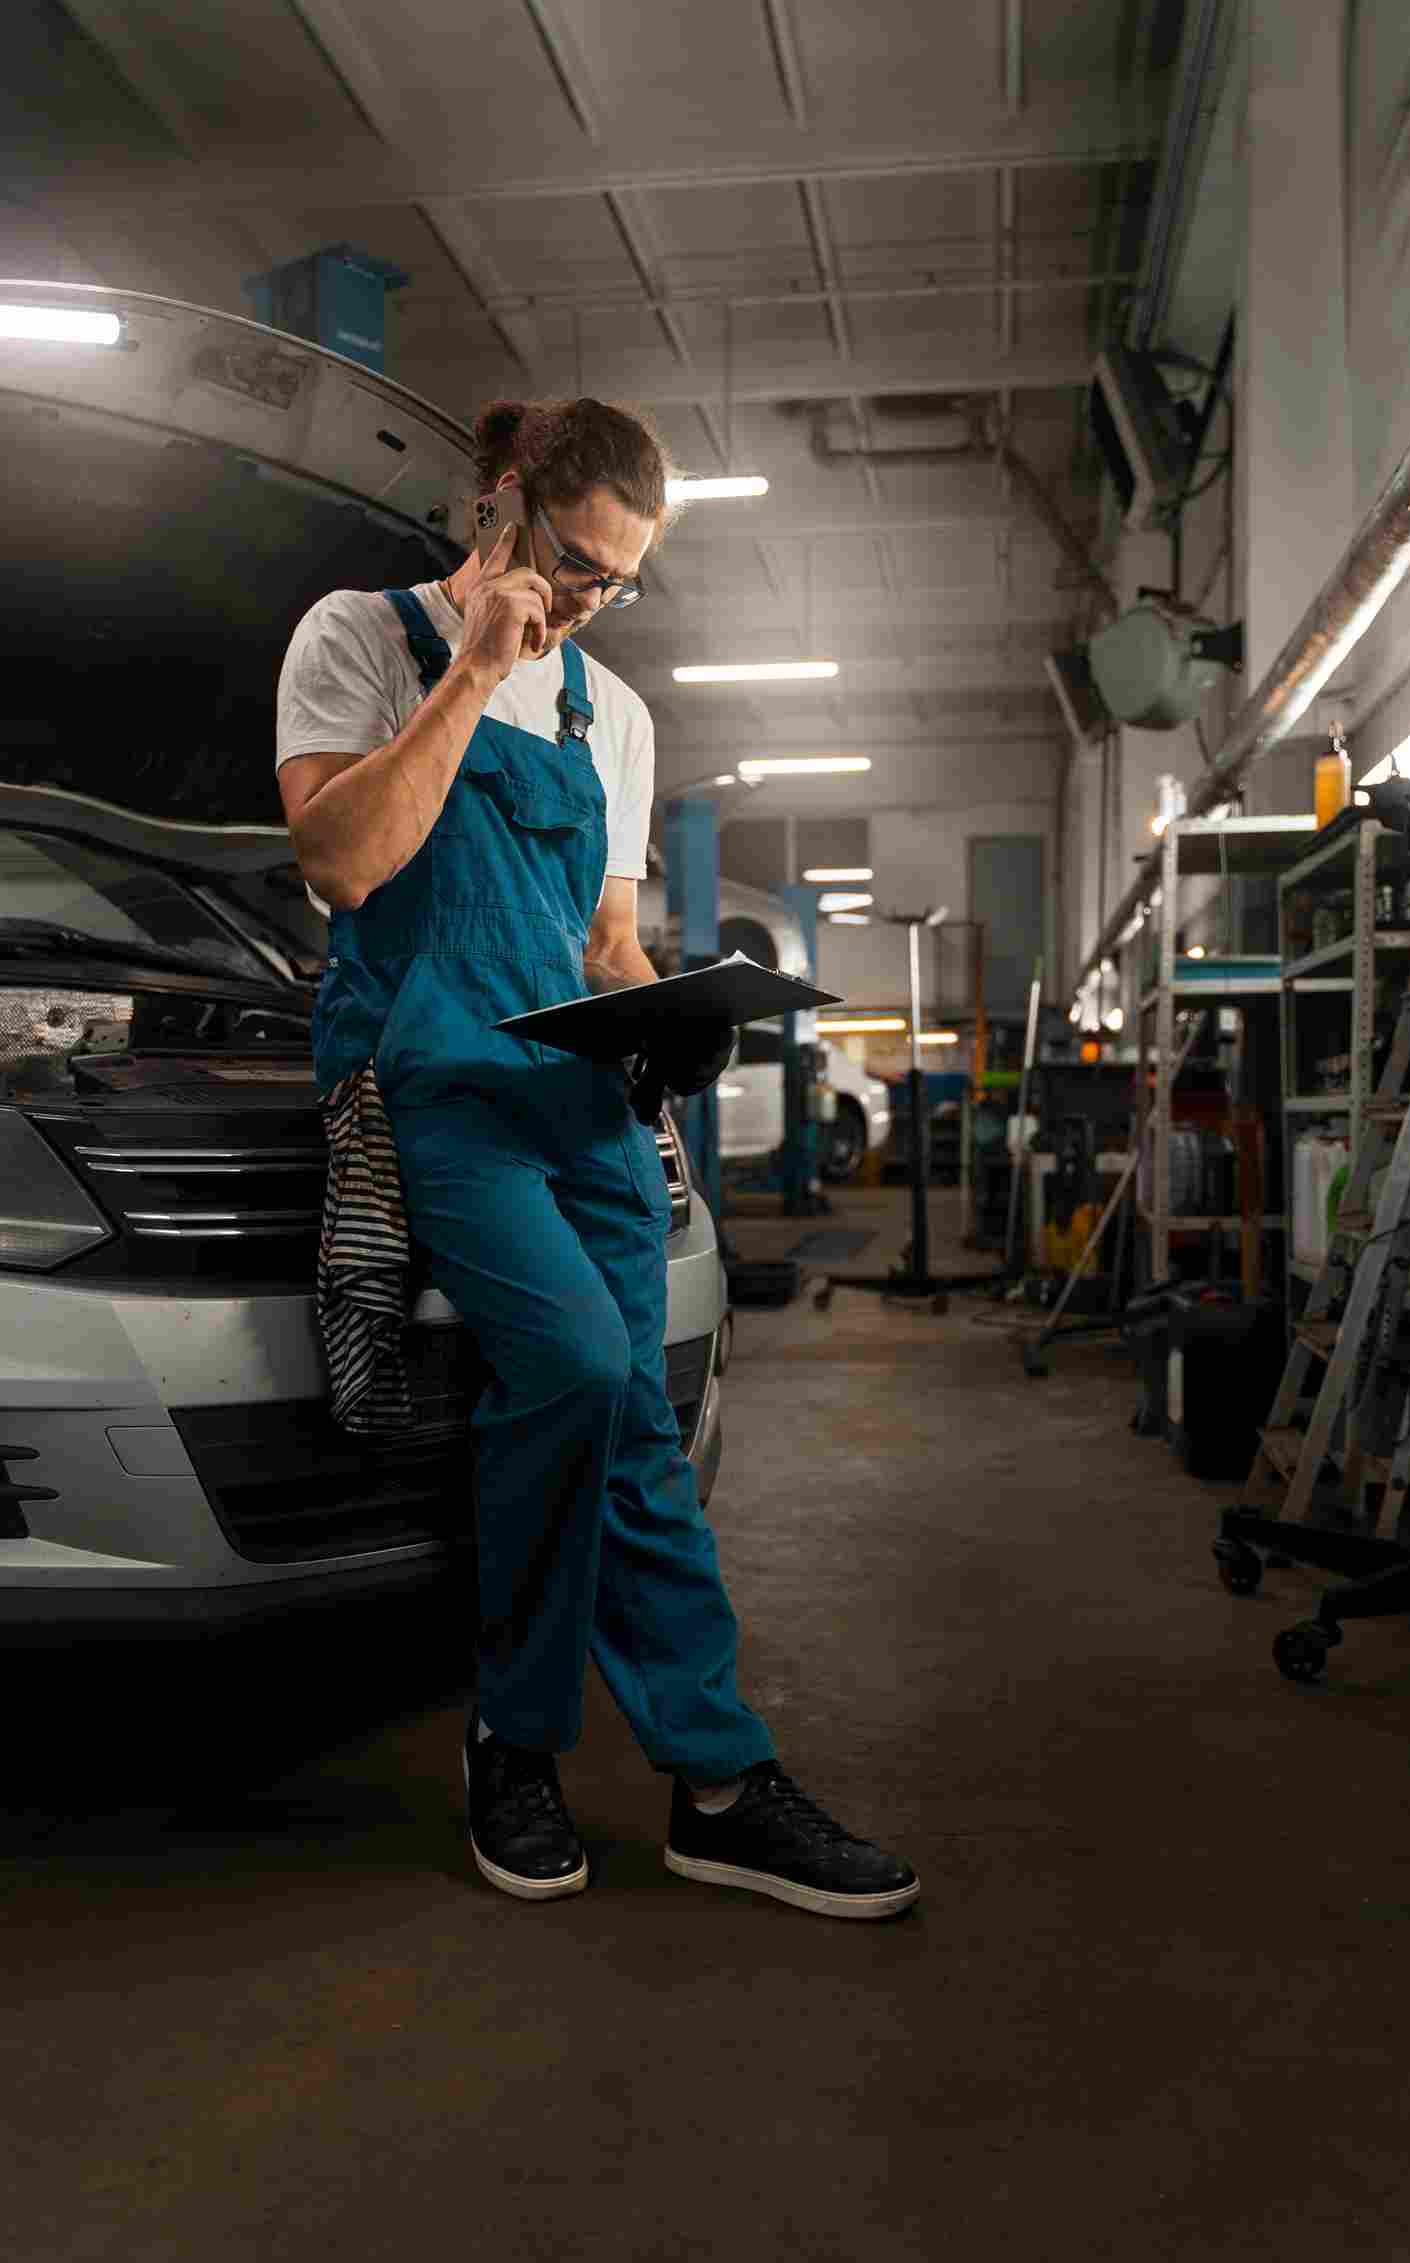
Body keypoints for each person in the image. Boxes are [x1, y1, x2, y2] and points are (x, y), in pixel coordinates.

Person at [276, 394, 919, 1922]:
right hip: (438, 1085)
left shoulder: (608, 715)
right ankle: (517, 1728)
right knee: (571, 1367)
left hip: (583, 1104)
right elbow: (341, 861)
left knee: (633, 1423)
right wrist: (479, 669)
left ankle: (712, 1780)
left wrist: (671, 1021)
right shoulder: (360, 638)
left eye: (615, 585)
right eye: (570, 563)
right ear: (499, 506)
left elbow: (604, 938)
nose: (583, 602)